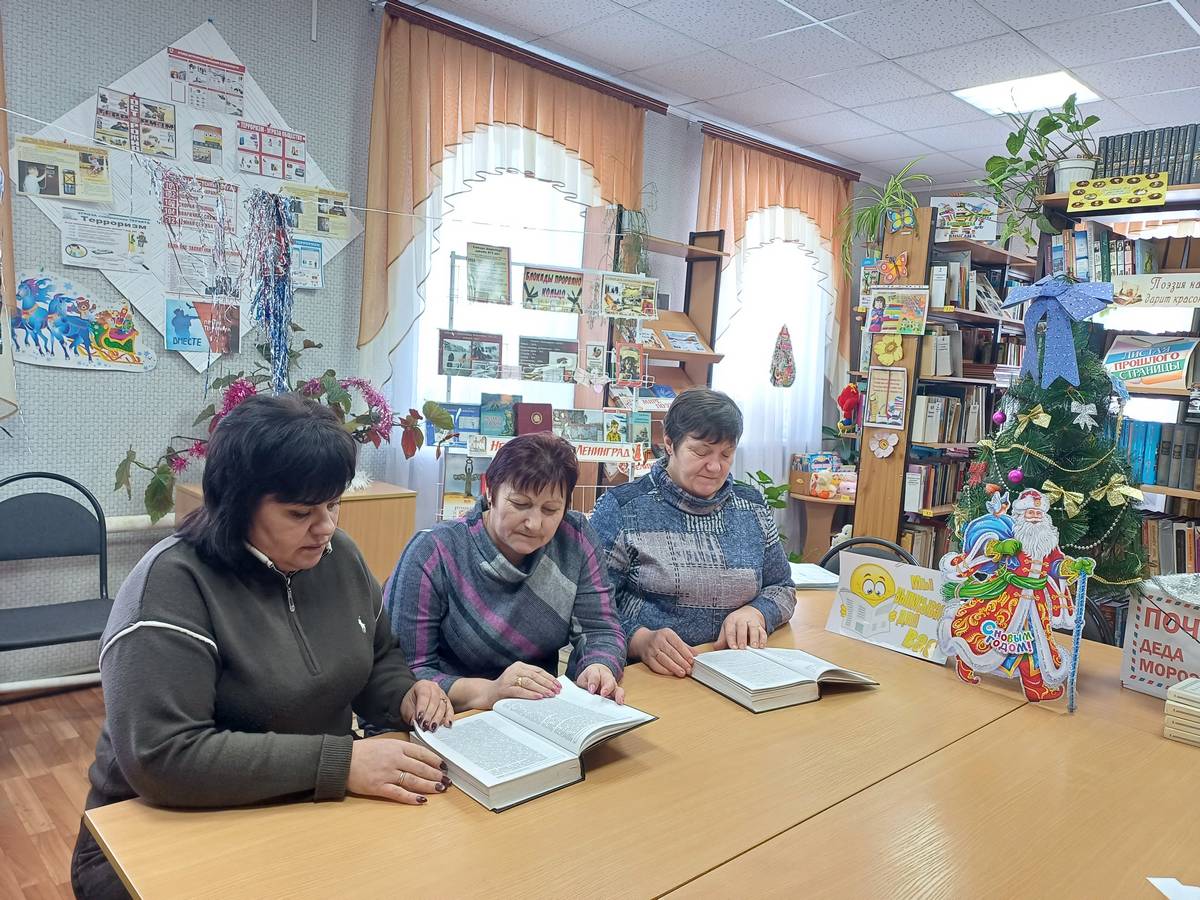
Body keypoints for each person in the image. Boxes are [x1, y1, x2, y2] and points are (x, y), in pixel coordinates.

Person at [71, 394, 453, 899]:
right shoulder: (172, 586)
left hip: (302, 803)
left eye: (333, 504)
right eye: (300, 512)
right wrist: (342, 763)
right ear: (237, 503)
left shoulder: (338, 556)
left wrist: (404, 695)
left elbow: (378, 655)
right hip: (155, 832)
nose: (326, 527)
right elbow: (163, 756)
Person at [384, 432, 627, 711]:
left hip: (534, 709)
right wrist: (489, 691)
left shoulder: (575, 538)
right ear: (490, 491)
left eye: (550, 509)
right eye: (520, 504)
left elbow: (600, 629)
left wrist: (598, 666)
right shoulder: (434, 552)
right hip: (449, 713)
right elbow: (406, 671)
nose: (534, 523)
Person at [590, 388, 796, 678]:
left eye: (727, 454)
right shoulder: (624, 507)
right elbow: (590, 606)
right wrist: (639, 640)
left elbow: (782, 587)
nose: (715, 466)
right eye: (700, 452)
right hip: (650, 676)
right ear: (669, 443)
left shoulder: (751, 506)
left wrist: (758, 612)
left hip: (738, 671)